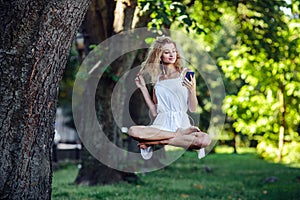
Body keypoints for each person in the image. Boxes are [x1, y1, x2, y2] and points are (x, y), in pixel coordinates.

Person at [128, 36, 211, 159]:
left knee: (205, 139)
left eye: (173, 51)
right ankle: (174, 135)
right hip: (162, 124)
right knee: (132, 131)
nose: (172, 55)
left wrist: (192, 90)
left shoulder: (185, 73)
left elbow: (192, 109)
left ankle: (156, 141)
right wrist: (143, 89)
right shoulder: (157, 79)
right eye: (167, 52)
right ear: (159, 55)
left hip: (182, 122)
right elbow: (155, 112)